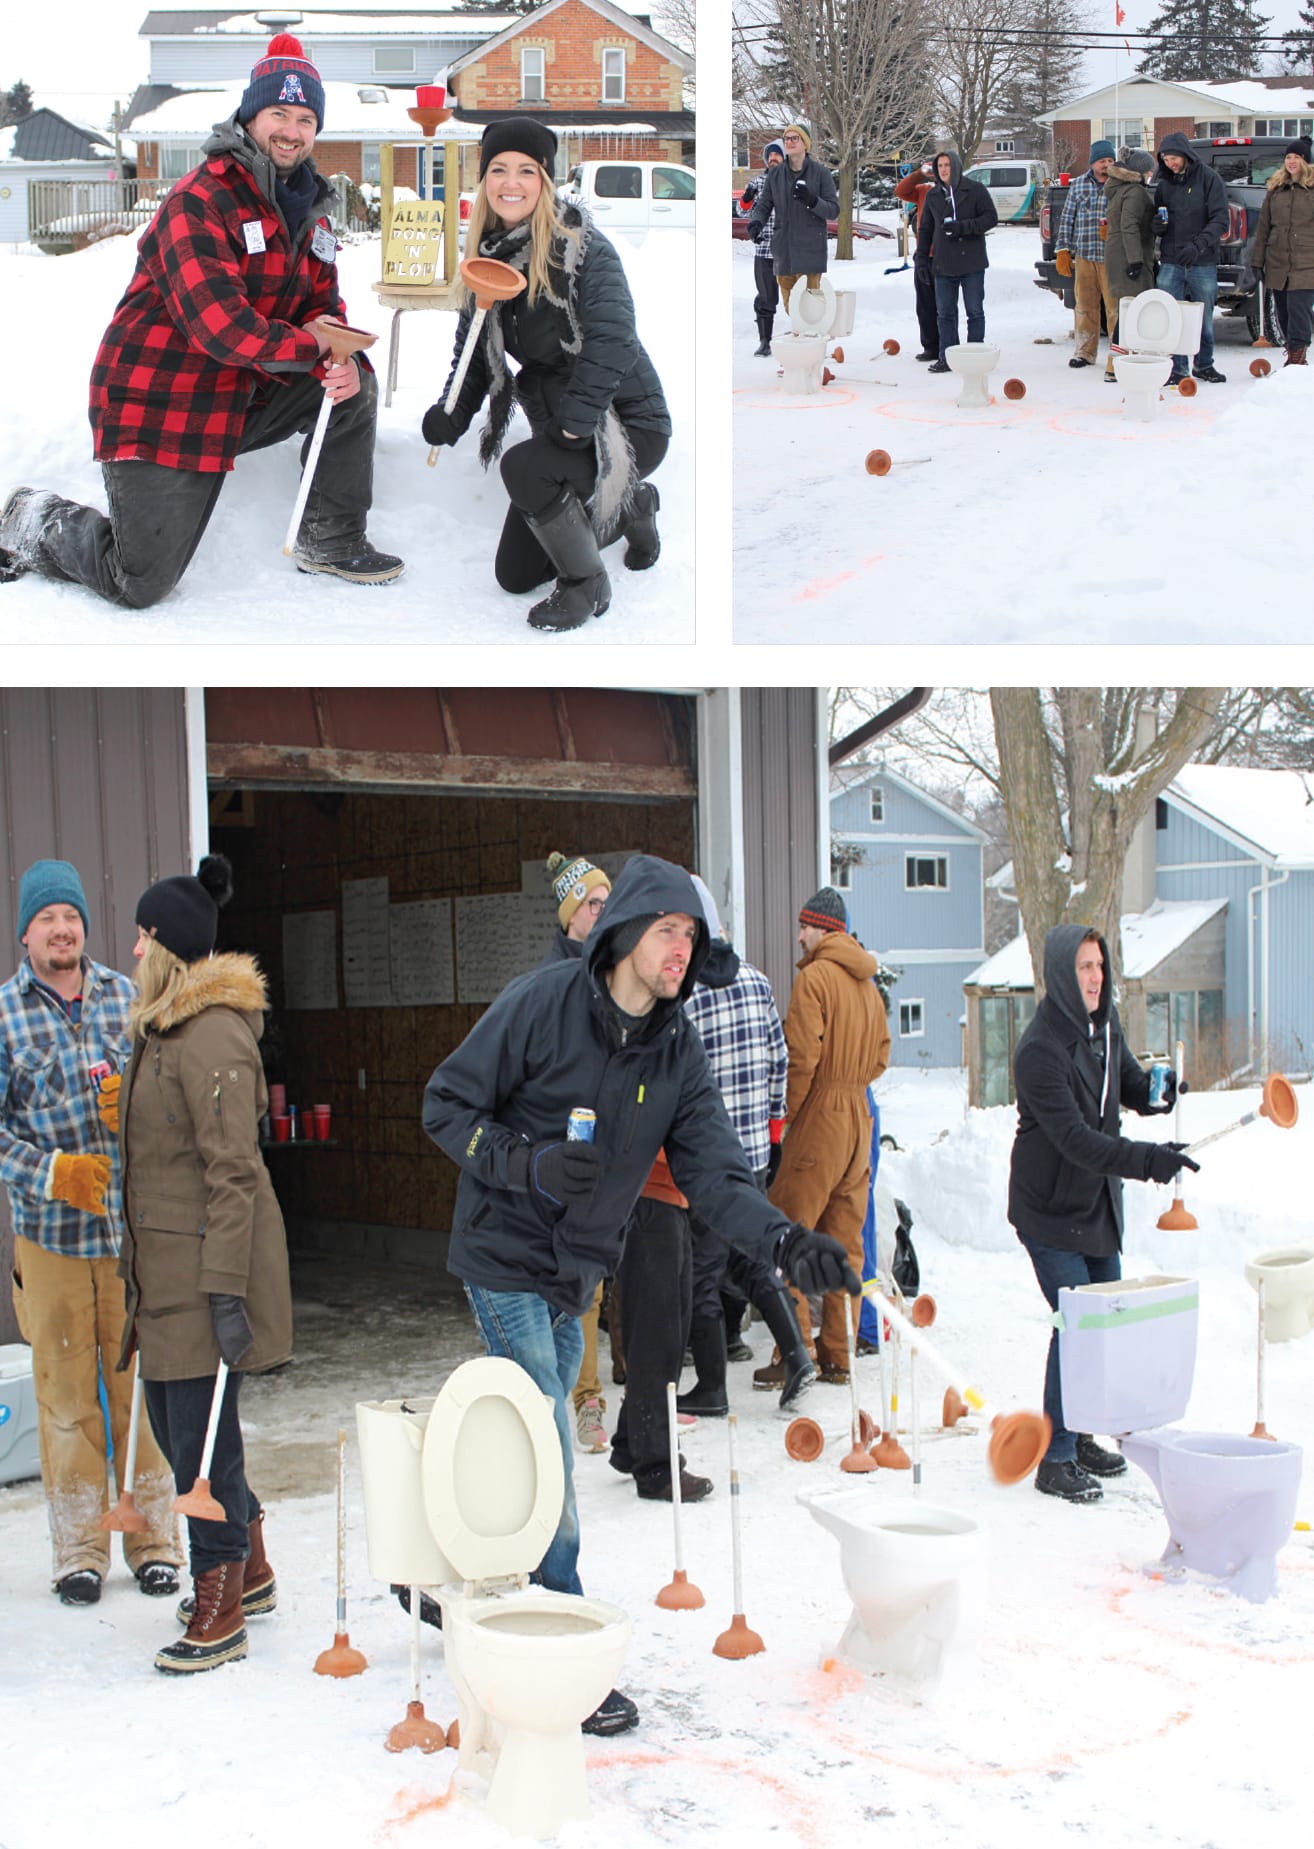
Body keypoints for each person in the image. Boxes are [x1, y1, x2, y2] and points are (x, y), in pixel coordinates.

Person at [422, 853, 858, 1736]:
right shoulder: (540, 1005)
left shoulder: (676, 1045)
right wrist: (527, 1163)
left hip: (576, 1266)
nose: (681, 950)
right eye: (668, 930)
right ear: (624, 933)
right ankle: (561, 1637)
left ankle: (437, 1566)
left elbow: (716, 1173)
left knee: (518, 1426)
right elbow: (445, 1105)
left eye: (691, 936)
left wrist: (783, 1240)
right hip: (502, 1250)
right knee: (545, 1428)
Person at [0, 34, 403, 601]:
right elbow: (224, 329)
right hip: (161, 407)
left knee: (354, 382)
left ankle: (331, 540)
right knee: (138, 581)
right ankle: (30, 516)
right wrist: (312, 347)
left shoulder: (314, 216)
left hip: (241, 395)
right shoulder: (200, 201)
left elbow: (322, 310)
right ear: (249, 116)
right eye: (278, 113)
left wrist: (337, 351)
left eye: (306, 118)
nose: (292, 129)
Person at [116, 855, 292, 1671]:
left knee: (196, 1445)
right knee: (184, 1427)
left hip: (202, 1273)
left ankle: (220, 1597)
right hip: (167, 1270)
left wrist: (226, 1290)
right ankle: (248, 1563)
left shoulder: (211, 1031)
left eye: (143, 934)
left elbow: (235, 1171)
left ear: (167, 947)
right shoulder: (164, 1029)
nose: (133, 947)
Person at [0, 860, 180, 1606]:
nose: (62, 929)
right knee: (66, 1392)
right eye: (47, 919)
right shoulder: (7, 1014)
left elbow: (164, 1085)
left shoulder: (124, 995)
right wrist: (51, 1173)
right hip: (49, 1237)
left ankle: (155, 1540)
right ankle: (78, 1547)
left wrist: (126, 1108)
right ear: (26, 933)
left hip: (123, 1236)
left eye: (69, 916)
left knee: (138, 1389)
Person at [421, 121, 670, 633]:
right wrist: (450, 414)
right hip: (560, 421)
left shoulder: (581, 250)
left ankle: (586, 584)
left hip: (624, 422)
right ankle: (633, 508)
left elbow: (614, 339)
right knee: (514, 575)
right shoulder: (486, 262)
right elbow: (471, 355)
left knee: (525, 468)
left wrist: (577, 425)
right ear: (485, 179)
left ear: (545, 181)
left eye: (526, 171)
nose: (511, 182)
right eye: (499, 169)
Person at [1008, 925, 1200, 1505]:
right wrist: (1149, 1162)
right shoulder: (1039, 1050)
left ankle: (1082, 1433)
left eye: (1099, 967)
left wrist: (1156, 1092)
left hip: (1093, 1204)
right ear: (1063, 975)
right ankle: (1055, 1457)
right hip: (1047, 1209)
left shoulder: (1105, 1026)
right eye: (1084, 968)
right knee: (1078, 1322)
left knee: (1106, 1321)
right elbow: (1077, 1139)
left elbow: (1130, 1085)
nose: (1094, 978)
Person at [681, 879, 816, 1418]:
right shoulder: (758, 983)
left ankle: (711, 1387)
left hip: (708, 1161)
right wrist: (774, 1133)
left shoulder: (684, 995)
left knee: (701, 1273)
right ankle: (799, 1356)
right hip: (755, 1154)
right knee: (754, 1259)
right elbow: (780, 1061)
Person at [764, 887, 890, 1385]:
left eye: (805, 928)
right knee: (844, 1243)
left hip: (821, 1114)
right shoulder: (867, 985)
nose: (799, 936)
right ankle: (839, 1353)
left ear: (823, 930)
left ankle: (794, 1354)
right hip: (860, 1118)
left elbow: (802, 1058)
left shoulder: (815, 979)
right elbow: (882, 1055)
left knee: (788, 1233)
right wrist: (852, 1083)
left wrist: (789, 1120)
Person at [540, 849, 612, 1451]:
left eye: (607, 902)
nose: (602, 911)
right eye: (592, 903)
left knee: (595, 1276)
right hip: (562, 1145)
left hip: (611, 1142)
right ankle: (574, 1399)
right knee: (568, 1279)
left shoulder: (616, 975)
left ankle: (589, 1397)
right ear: (570, 915)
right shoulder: (554, 980)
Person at [1153, 131, 1229, 386]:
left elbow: (1220, 219)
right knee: (1171, 315)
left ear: (1184, 155)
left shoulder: (1210, 179)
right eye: (1165, 159)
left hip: (1202, 261)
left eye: (1173, 158)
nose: (1169, 163)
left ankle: (1204, 365)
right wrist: (1158, 225)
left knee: (1203, 316)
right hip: (1172, 260)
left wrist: (1198, 246)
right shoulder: (1164, 184)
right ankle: (1177, 369)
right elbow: (1159, 215)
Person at [916, 150, 998, 374]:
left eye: (947, 165)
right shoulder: (933, 196)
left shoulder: (975, 190)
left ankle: (975, 355)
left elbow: (991, 218)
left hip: (971, 262)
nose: (943, 169)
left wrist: (963, 227)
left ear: (956, 167)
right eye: (940, 166)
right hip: (943, 264)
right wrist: (921, 259)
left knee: (974, 311)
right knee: (945, 313)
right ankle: (947, 357)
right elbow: (925, 230)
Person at [747, 123, 839, 314]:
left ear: (805, 144)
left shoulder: (821, 174)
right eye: (786, 138)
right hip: (784, 253)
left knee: (810, 312)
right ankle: (800, 338)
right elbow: (764, 205)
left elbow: (833, 210)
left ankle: (811, 342)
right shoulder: (775, 174)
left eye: (794, 138)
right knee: (792, 311)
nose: (789, 142)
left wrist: (813, 201)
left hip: (810, 253)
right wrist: (756, 223)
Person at [1054, 140, 1118, 372]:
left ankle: (1118, 352)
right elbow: (1067, 218)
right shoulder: (1078, 185)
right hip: (1085, 256)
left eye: (1110, 161)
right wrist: (1062, 250)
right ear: (1093, 163)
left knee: (1114, 308)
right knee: (1085, 306)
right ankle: (1085, 352)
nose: (1106, 165)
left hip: (1111, 258)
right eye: (1102, 161)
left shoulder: (1118, 185)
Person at [1248, 139, 1314, 366]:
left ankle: (1297, 358)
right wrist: (1257, 262)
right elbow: (1263, 228)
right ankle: (1293, 349)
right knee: (1283, 314)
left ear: (1306, 161)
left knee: (1299, 311)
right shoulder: (1275, 190)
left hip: (1307, 262)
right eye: (1288, 157)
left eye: (1297, 157)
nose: (1291, 161)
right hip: (1277, 262)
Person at [1102, 148, 1159, 382]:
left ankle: (1118, 363)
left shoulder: (1119, 189)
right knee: (1131, 312)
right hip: (1128, 257)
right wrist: (1136, 260)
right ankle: (1117, 366)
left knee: (1126, 310)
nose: (1150, 174)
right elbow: (1129, 226)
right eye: (1148, 170)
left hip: (1117, 254)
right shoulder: (1134, 192)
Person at [742, 139, 786, 356]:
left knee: (795, 295)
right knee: (766, 296)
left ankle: (802, 339)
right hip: (764, 249)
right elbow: (743, 211)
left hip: (788, 249)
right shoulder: (758, 182)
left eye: (777, 155)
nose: (773, 159)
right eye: (769, 156)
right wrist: (747, 198)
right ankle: (764, 341)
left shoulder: (792, 181)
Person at [894, 162, 941, 362]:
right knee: (924, 304)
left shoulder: (951, 191)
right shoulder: (923, 191)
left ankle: (947, 345)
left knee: (944, 305)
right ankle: (930, 345)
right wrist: (919, 173)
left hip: (945, 256)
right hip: (923, 255)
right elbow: (901, 191)